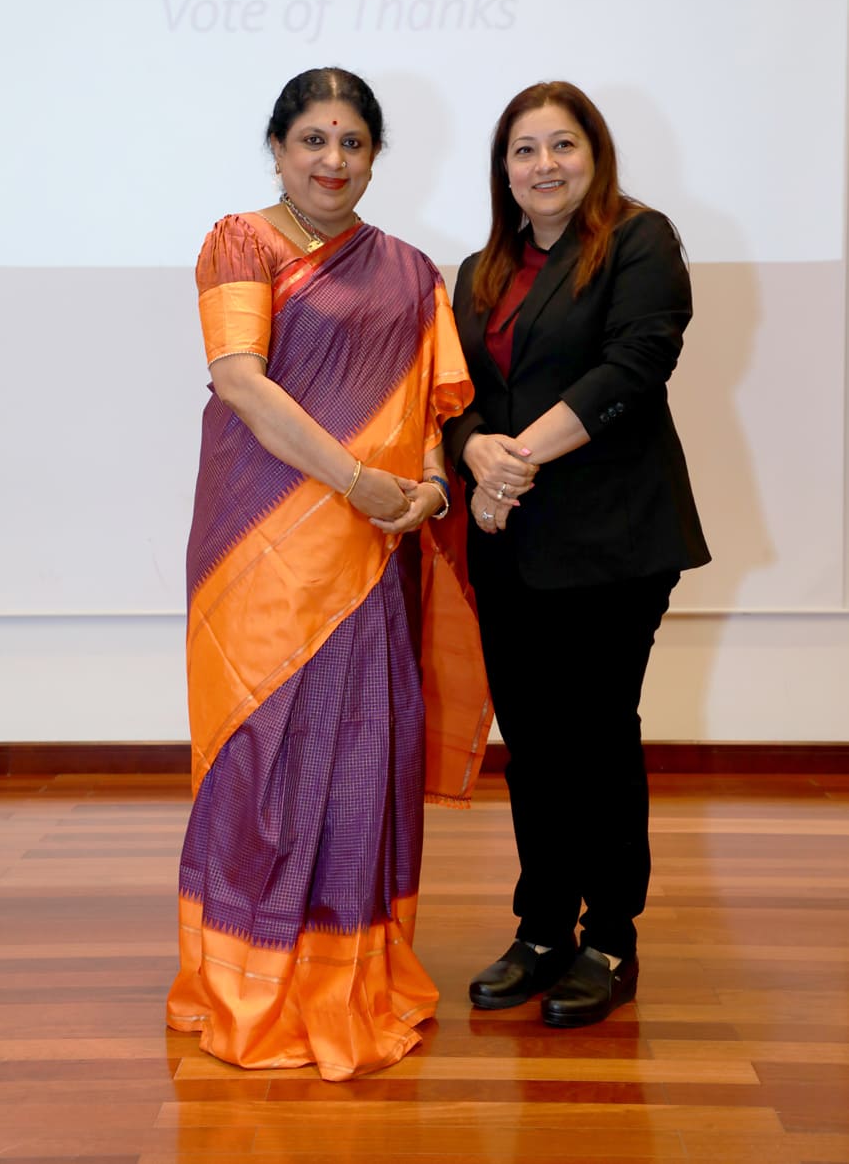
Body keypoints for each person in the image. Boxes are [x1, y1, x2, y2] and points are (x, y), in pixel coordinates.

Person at [166, 67, 489, 1081]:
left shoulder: (409, 271)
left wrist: (425, 491)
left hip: (372, 546)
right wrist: (355, 480)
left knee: (360, 751)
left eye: (352, 141)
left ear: (376, 156)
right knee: (259, 752)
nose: (332, 159)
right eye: (313, 138)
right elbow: (240, 381)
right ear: (277, 148)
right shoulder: (240, 243)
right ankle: (247, 982)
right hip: (258, 541)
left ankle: (349, 971)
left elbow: (431, 409)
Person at [443, 81, 710, 1028]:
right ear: (503, 169)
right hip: (508, 541)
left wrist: (512, 458)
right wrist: (474, 448)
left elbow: (634, 366)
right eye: (524, 149)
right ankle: (543, 927)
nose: (544, 164)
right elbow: (454, 393)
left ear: (595, 156)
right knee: (535, 746)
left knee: (596, 740)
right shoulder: (479, 269)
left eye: (563, 145)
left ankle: (611, 938)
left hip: (613, 541)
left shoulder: (640, 240)